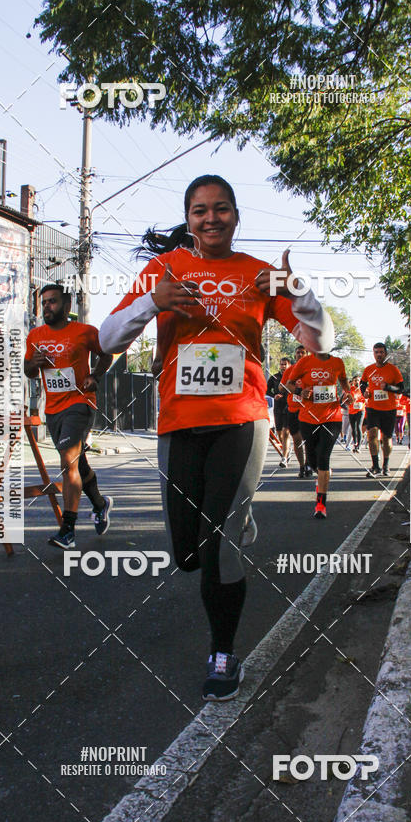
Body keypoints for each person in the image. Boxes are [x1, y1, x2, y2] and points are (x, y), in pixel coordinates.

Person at [98, 174, 334, 701]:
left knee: (219, 547)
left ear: (235, 215)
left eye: (221, 209)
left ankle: (223, 654)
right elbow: (107, 338)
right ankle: (236, 517)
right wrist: (150, 304)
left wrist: (299, 291)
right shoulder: (163, 271)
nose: (211, 219)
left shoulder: (257, 275)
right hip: (179, 423)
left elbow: (322, 341)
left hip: (241, 417)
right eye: (200, 210)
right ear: (188, 218)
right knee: (187, 554)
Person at [24, 284, 114, 549]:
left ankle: (67, 530)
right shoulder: (35, 335)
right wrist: (34, 364)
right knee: (76, 463)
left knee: (67, 463)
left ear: (67, 306)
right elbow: (28, 371)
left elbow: (106, 353)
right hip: (52, 408)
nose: (47, 307)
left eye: (52, 302)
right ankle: (100, 503)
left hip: (79, 402)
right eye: (44, 303)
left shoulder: (84, 332)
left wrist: (94, 376)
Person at [283, 351, 351, 518]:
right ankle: (322, 472)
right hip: (307, 418)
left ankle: (321, 505)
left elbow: (343, 380)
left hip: (332, 417)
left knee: (323, 456)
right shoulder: (304, 362)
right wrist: (299, 391)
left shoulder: (337, 362)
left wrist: (347, 393)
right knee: (313, 461)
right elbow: (288, 384)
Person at [360, 343, 404, 477]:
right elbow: (362, 384)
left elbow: (401, 388)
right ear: (373, 354)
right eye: (376, 352)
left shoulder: (393, 370)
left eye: (381, 352)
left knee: (386, 438)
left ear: (385, 354)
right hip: (373, 408)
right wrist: (364, 392)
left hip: (389, 409)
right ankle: (375, 466)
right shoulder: (368, 369)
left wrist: (389, 388)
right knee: (372, 435)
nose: (379, 354)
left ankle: (385, 465)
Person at [281, 345, 312, 477]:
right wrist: (297, 390)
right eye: (298, 352)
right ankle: (301, 466)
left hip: (308, 410)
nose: (300, 354)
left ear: (307, 355)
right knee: (297, 440)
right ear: (295, 355)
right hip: (293, 410)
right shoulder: (290, 370)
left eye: (302, 352)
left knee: (309, 439)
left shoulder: (312, 370)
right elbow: (282, 387)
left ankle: (309, 465)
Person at [266, 357, 291, 466]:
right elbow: (266, 389)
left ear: (289, 365)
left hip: (289, 406)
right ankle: (287, 451)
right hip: (277, 407)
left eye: (285, 364)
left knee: (286, 433)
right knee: (280, 433)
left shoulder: (293, 377)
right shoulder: (274, 377)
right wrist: (274, 395)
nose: (283, 366)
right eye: (281, 364)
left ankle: (284, 457)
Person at [348, 375, 365, 452]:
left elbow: (366, 398)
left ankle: (359, 446)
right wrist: (351, 399)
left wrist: (362, 400)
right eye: (355, 380)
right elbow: (345, 399)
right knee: (353, 428)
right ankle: (355, 443)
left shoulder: (362, 389)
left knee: (358, 426)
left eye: (358, 380)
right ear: (353, 382)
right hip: (351, 411)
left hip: (360, 410)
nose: (357, 382)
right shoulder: (350, 389)